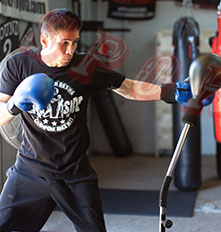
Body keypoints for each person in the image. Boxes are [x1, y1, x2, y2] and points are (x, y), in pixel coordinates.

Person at [0, 8, 199, 231]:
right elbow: (1, 116)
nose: (70, 50)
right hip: (30, 171)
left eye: (75, 42)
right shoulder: (19, 65)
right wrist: (15, 103)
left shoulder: (86, 66)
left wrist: (170, 91)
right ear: (45, 40)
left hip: (75, 173)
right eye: (64, 43)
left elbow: (129, 88)